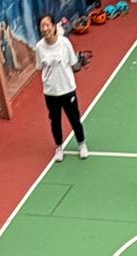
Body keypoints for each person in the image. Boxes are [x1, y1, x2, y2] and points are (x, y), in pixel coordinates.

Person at [36, 14, 87, 162]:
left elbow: (73, 63)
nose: (45, 28)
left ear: (53, 27)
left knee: (74, 118)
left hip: (67, 89)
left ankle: (82, 144)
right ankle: (59, 147)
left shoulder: (64, 43)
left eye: (47, 25)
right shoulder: (39, 47)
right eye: (42, 26)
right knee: (55, 121)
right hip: (51, 92)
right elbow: (39, 67)